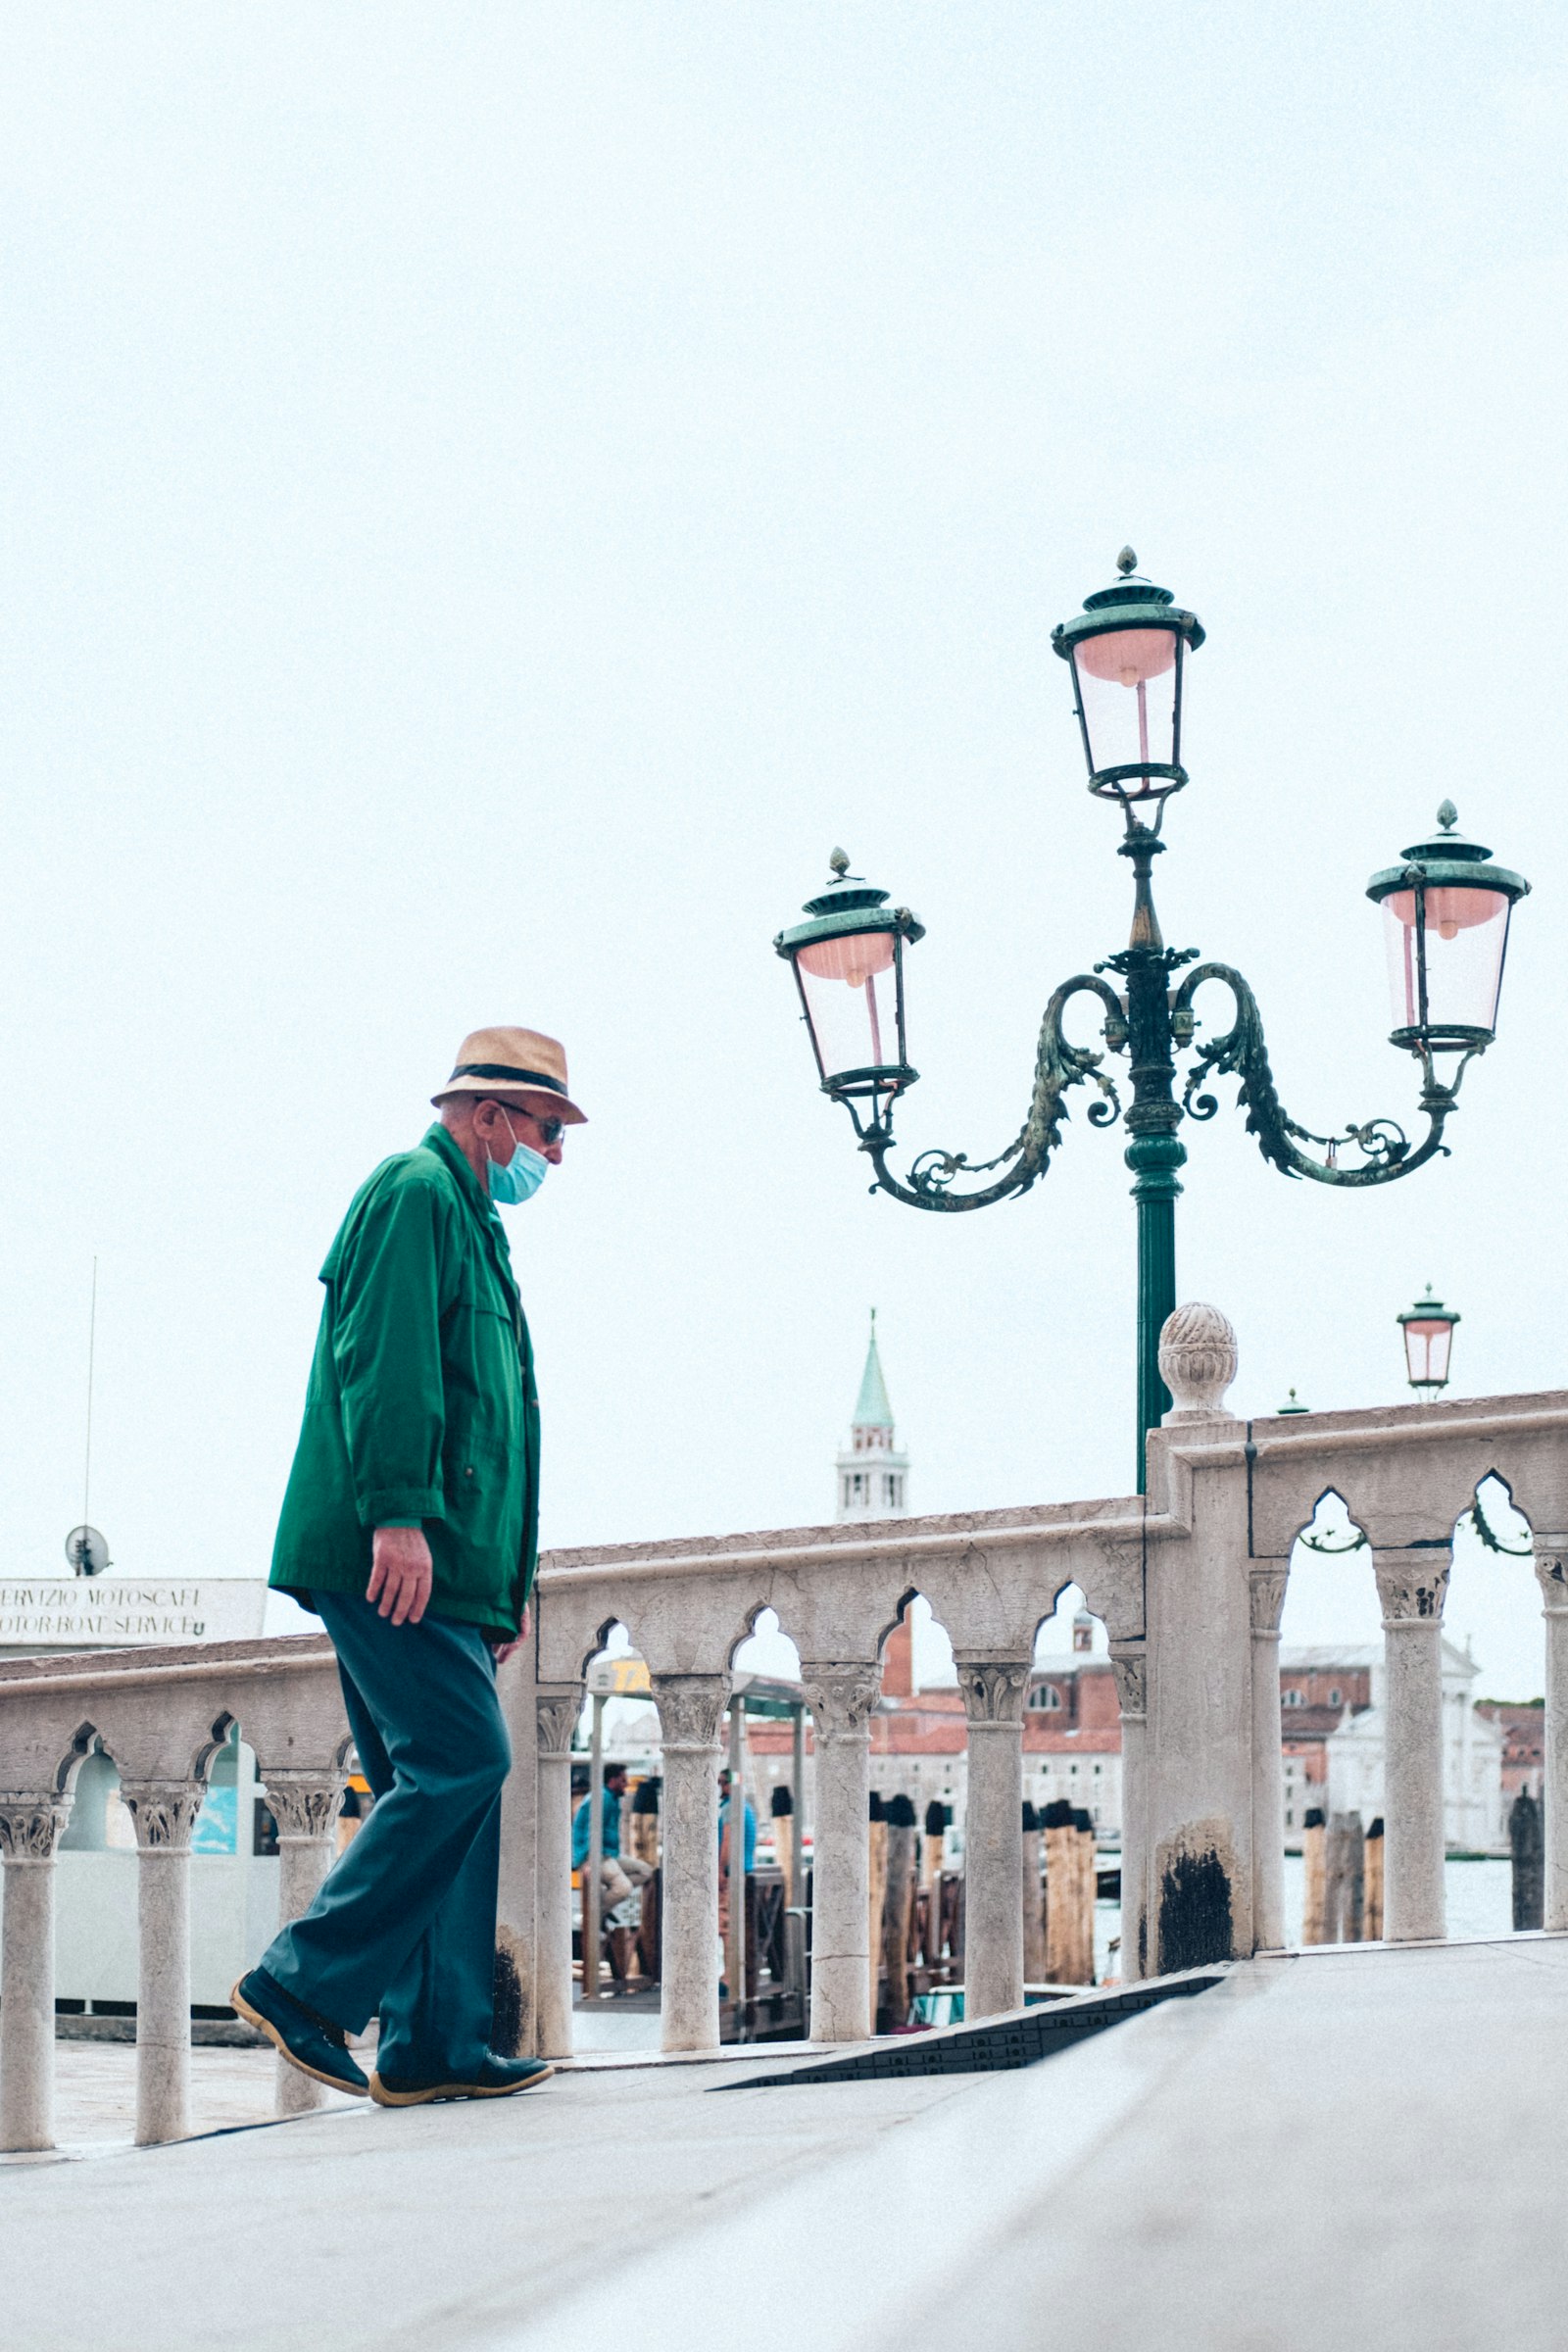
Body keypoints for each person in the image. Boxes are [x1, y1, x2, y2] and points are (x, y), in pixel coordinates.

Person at [231, 1026, 584, 2106]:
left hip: (447, 1571)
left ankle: (435, 2044)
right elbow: (382, 1361)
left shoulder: (473, 1224)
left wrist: (497, 1590)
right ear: (487, 1117)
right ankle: (301, 1985)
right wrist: (395, 1517)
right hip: (390, 1550)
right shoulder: (414, 1191)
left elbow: (491, 1425)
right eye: (545, 1129)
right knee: (463, 1762)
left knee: (439, 1787)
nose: (553, 1157)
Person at [572, 1763, 654, 1912]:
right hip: (593, 1855)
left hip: (608, 1854)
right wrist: (590, 1861)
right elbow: (592, 1830)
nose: (627, 1784)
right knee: (623, 1888)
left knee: (646, 1871)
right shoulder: (602, 1798)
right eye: (623, 1780)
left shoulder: (611, 1798)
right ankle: (594, 1915)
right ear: (612, 1780)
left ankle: (601, 1904)